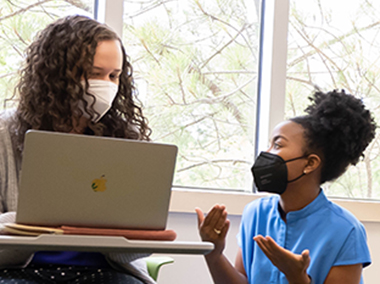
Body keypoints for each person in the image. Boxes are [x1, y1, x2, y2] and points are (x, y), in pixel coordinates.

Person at [0, 15, 156, 283]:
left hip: (108, 273)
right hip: (21, 271)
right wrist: (39, 222)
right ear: (58, 75)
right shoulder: (5, 133)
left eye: (114, 76)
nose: (106, 85)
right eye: (95, 74)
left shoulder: (126, 139)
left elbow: (140, 250)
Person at [196, 90, 376, 284]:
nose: (266, 153)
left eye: (278, 145)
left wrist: (297, 278)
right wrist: (213, 253)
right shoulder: (255, 213)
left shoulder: (347, 230)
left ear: (310, 164)